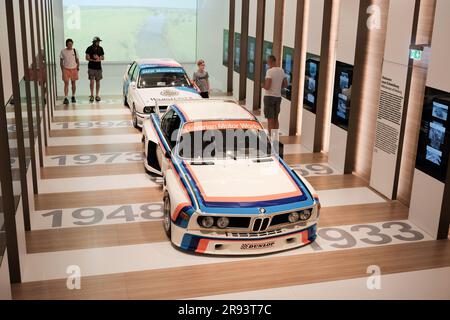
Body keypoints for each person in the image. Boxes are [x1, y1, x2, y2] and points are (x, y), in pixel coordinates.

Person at [263, 55, 288, 135]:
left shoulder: (269, 71)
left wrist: (262, 85)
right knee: (276, 118)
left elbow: (267, 86)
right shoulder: (281, 71)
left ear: (271, 61)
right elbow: (285, 84)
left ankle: (270, 137)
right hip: (278, 97)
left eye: (268, 61)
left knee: (270, 118)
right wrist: (277, 86)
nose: (267, 63)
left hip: (269, 97)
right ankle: (275, 137)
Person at [60, 38, 80, 104]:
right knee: (66, 83)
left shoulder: (75, 50)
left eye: (71, 44)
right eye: (69, 44)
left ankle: (73, 96)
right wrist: (62, 69)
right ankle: (65, 97)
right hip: (66, 69)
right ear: (66, 44)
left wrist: (78, 67)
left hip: (74, 68)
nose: (70, 45)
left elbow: (77, 60)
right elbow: (61, 61)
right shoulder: (63, 51)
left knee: (73, 83)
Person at [85, 36, 105, 102]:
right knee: (91, 81)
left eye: (99, 41)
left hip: (98, 67)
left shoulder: (100, 48)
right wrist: (93, 60)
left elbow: (103, 57)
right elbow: (86, 58)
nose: (98, 42)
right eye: (97, 41)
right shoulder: (89, 48)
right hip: (91, 67)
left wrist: (99, 58)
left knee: (98, 81)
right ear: (94, 42)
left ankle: (97, 95)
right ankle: (91, 95)